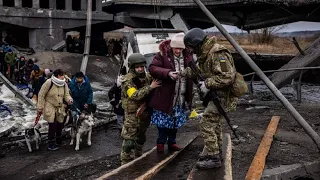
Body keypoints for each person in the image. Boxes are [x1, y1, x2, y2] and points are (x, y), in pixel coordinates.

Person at [184, 28, 237, 169]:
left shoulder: (218, 54)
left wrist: (207, 83)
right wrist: (181, 73)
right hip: (215, 96)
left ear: (197, 44)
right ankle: (216, 151)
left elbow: (227, 76)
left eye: (192, 48)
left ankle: (214, 158)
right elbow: (200, 71)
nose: (192, 51)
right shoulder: (205, 54)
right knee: (215, 124)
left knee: (206, 123)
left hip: (223, 97)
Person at [148, 32, 195, 152]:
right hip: (165, 96)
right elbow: (153, 68)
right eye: (176, 48)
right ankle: (160, 143)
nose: (178, 51)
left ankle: (172, 142)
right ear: (172, 46)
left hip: (180, 97)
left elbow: (194, 71)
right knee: (163, 122)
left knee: (175, 121)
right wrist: (168, 73)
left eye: (180, 48)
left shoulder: (188, 57)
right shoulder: (162, 55)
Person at [120, 53, 161, 165]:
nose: (140, 69)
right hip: (132, 114)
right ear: (132, 67)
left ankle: (139, 157)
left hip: (144, 112)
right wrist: (150, 87)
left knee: (141, 137)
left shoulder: (147, 77)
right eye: (137, 67)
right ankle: (125, 162)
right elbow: (135, 95)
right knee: (129, 140)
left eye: (142, 67)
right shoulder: (127, 81)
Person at [37, 69, 73, 150]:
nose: (63, 76)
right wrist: (40, 106)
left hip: (60, 106)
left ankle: (58, 140)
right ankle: (51, 143)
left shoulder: (64, 84)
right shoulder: (49, 82)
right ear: (57, 76)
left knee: (60, 124)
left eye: (63, 75)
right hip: (50, 105)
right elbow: (41, 94)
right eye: (61, 75)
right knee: (52, 124)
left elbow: (66, 94)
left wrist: (69, 100)